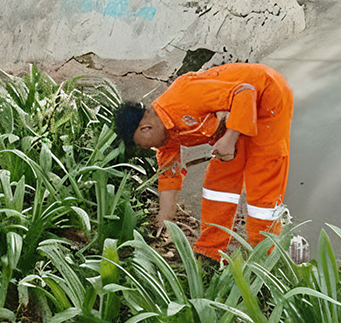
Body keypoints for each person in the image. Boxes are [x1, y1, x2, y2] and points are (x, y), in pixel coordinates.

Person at [114, 62, 293, 262]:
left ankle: (264, 257)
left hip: (267, 93)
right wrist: (163, 222)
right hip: (240, 107)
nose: (148, 148)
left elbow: (245, 92)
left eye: (143, 145)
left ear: (145, 128)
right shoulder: (165, 138)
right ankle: (210, 252)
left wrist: (229, 138)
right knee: (218, 183)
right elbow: (169, 178)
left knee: (262, 175)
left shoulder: (184, 97)